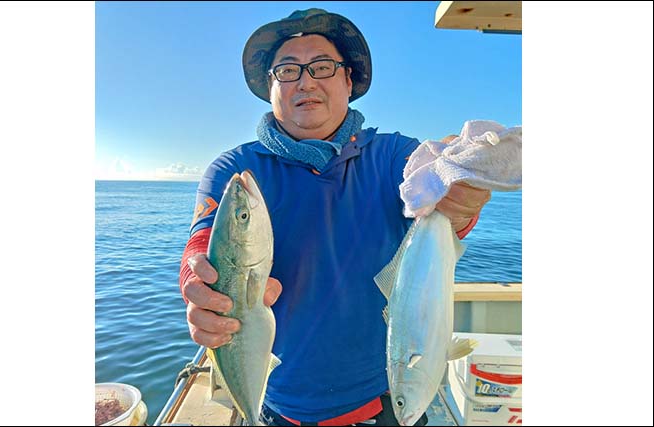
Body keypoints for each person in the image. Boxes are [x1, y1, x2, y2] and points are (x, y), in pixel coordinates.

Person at [179, 9, 491, 426]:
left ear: (348, 81)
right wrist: (198, 283)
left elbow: (438, 184)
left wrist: (460, 185)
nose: (306, 81)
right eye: (287, 71)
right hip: (277, 402)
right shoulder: (237, 170)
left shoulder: (394, 155)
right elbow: (203, 243)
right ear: (270, 88)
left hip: (387, 395)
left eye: (322, 67)